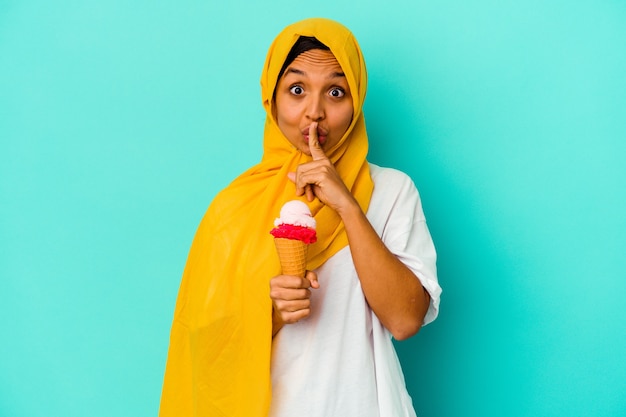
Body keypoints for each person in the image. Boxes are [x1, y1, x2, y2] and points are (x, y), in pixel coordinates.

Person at [159, 18, 441, 417]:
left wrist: (346, 204)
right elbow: (207, 346)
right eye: (296, 90)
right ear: (271, 99)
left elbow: (405, 319)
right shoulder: (233, 207)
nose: (315, 112)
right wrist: (270, 309)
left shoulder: (391, 189)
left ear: (356, 101)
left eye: (336, 92)